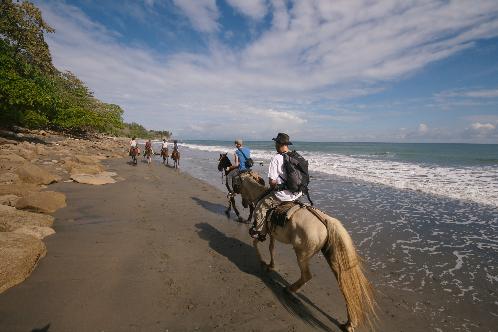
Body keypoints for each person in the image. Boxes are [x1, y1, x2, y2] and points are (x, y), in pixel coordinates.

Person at [249, 133, 302, 241]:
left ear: (279, 144)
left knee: (260, 207)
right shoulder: (296, 156)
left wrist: (276, 186)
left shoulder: (276, 158)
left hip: (283, 196)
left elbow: (272, 182)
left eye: (276, 143)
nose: (275, 145)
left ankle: (261, 233)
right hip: (298, 193)